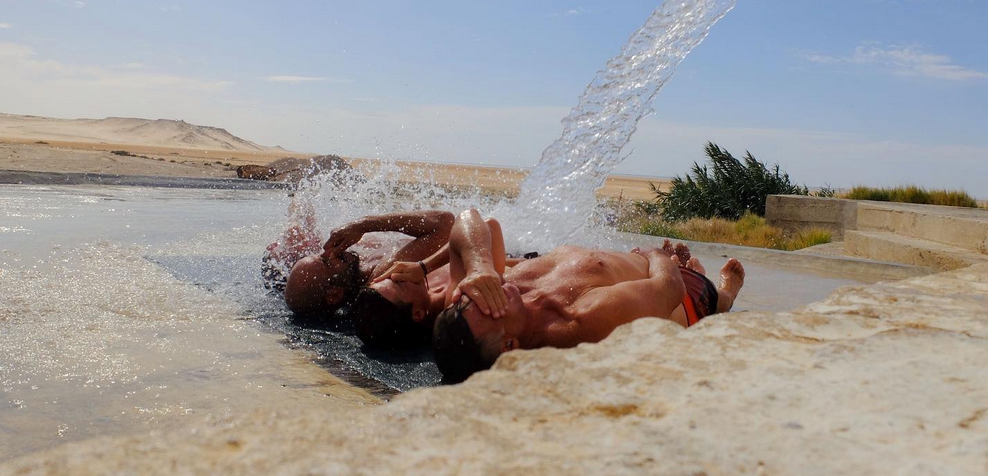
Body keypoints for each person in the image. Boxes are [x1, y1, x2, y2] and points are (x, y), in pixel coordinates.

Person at [432, 209, 745, 383]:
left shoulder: (467, 310)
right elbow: (668, 290)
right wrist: (652, 254)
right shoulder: (580, 320)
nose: (489, 294)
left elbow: (475, 221)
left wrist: (479, 266)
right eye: (489, 309)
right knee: (709, 295)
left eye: (474, 297)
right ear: (509, 344)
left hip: (626, 273)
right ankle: (715, 286)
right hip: (683, 299)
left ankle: (675, 262)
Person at [263, 196, 455, 317]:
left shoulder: (351, 266)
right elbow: (445, 222)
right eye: (325, 260)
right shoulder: (381, 274)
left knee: (296, 225)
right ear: (334, 293)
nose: (330, 252)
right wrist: (364, 225)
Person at [353, 216, 512, 350]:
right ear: (418, 313)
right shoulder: (457, 298)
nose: (395, 275)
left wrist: (363, 225)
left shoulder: (414, 280)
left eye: (387, 279)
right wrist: (425, 266)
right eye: (398, 284)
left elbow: (445, 223)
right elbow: (488, 226)